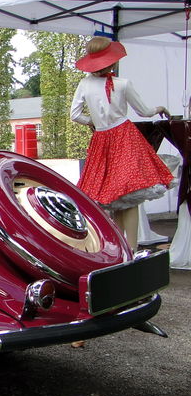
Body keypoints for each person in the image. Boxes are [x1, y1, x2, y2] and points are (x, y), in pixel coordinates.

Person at [70, 37, 175, 249]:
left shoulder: (84, 84)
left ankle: (121, 248)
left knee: (116, 198)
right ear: (111, 61)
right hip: (125, 138)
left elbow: (75, 115)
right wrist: (160, 108)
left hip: (102, 140)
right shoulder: (123, 84)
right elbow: (144, 111)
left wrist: (93, 122)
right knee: (130, 196)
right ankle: (132, 249)